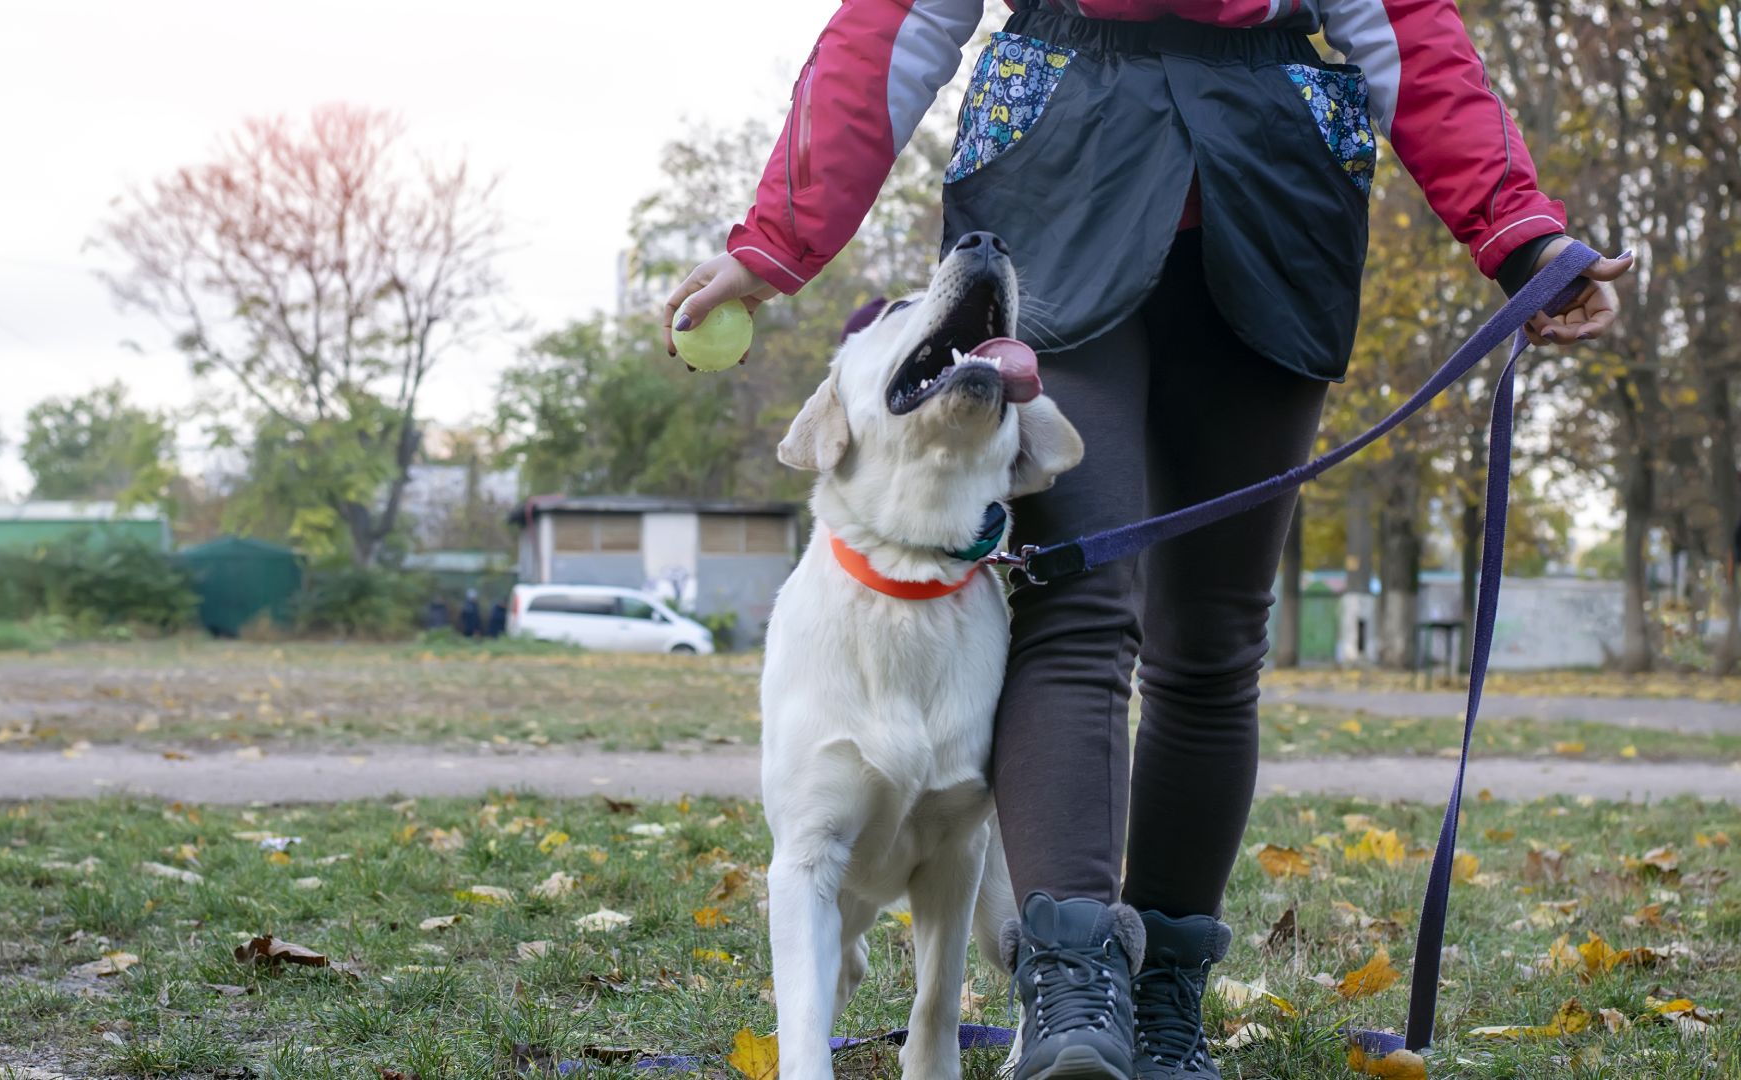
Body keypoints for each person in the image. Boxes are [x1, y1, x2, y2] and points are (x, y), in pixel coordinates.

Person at [662, 3, 1631, 1078]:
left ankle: (1166, 994)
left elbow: (1400, 19)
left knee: (1215, 637)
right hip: (1057, 166)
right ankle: (1072, 989)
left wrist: (1518, 228)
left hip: (1276, 190)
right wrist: (776, 240)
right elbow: (901, 19)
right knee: (1079, 599)